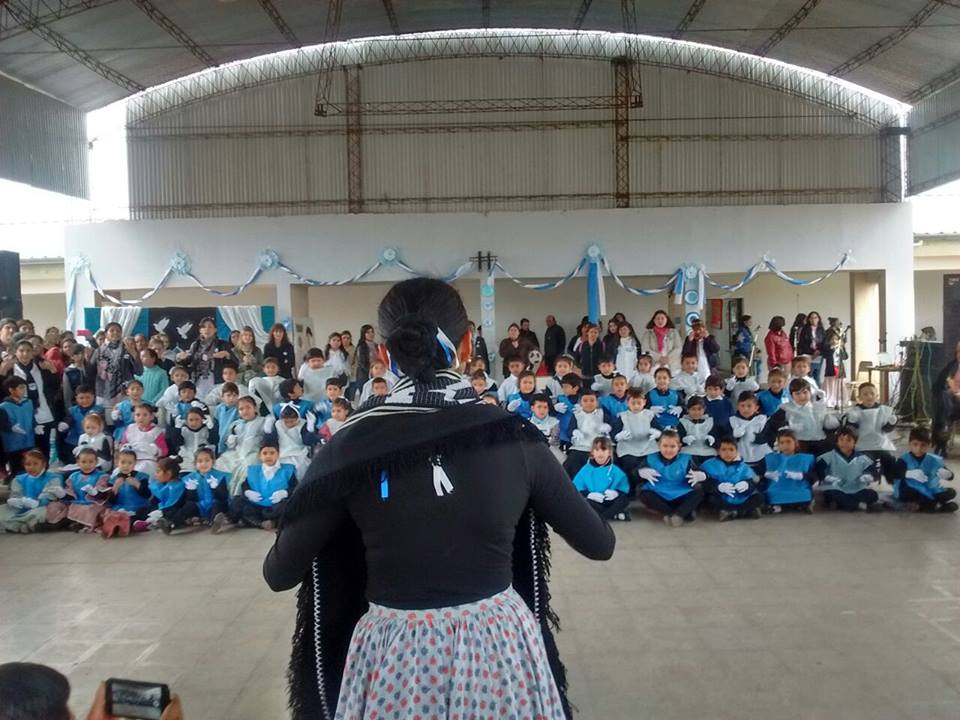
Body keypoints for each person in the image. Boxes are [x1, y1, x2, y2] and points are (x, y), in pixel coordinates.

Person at [263, 277, 614, 720]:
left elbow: (279, 572)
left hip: (395, 658)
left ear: (384, 353)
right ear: (467, 344)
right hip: (498, 649)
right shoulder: (516, 440)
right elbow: (600, 544)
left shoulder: (347, 448)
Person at [1, 338, 58, 461]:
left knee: (43, 449)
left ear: (33, 353)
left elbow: (54, 388)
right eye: (21, 351)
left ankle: (44, 473)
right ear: (15, 352)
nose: (25, 354)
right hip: (20, 416)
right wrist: (2, 373)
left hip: (43, 413)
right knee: (22, 451)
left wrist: (53, 371)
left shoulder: (42, 366)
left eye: (28, 350)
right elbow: (3, 393)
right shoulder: (10, 369)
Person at [636, 429, 706, 527]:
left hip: (681, 492)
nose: (668, 450)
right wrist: (640, 471)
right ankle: (675, 513)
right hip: (659, 493)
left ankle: (678, 514)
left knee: (699, 493)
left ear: (679, 447)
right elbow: (635, 473)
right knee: (643, 494)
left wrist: (701, 475)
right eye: (665, 446)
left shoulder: (687, 458)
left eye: (672, 446)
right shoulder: (650, 458)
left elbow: (699, 472)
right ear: (659, 446)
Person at [816, 427, 882, 513]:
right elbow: (819, 470)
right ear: (837, 442)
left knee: (873, 494)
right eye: (841, 440)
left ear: (855, 442)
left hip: (857, 488)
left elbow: (873, 472)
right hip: (836, 487)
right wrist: (828, 478)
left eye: (848, 440)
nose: (844, 443)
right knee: (831, 494)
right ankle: (857, 504)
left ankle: (844, 504)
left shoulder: (862, 458)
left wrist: (867, 476)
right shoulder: (828, 456)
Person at [842, 382, 898, 482]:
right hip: (863, 444)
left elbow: (886, 430)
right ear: (859, 397)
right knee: (867, 462)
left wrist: (891, 423)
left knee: (889, 459)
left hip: (880, 443)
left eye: (872, 393)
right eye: (865, 394)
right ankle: (869, 479)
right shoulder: (856, 411)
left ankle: (893, 481)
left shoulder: (884, 410)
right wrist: (852, 421)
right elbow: (850, 430)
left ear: (877, 395)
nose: (869, 396)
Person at [892, 427, 957, 513]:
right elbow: (894, 474)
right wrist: (908, 474)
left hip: (928, 489)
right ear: (909, 444)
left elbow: (949, 476)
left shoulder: (934, 460)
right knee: (908, 493)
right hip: (909, 490)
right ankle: (935, 505)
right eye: (915, 444)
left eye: (923, 445)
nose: (919, 448)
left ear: (929, 445)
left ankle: (928, 504)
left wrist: (949, 474)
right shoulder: (903, 459)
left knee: (951, 492)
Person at [0, 449, 63, 533]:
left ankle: (14, 525)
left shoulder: (52, 478)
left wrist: (38, 502)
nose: (31, 467)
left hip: (41, 506)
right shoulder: (19, 479)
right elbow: (16, 494)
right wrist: (15, 500)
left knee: (41, 513)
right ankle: (23, 525)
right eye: (28, 464)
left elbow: (49, 496)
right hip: (21, 508)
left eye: (35, 464)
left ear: (43, 464)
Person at [701, 437, 763, 521]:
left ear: (737, 451)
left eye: (731, 449)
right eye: (724, 450)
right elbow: (705, 483)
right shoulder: (709, 464)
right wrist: (718, 487)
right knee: (711, 499)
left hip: (741, 496)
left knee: (759, 497)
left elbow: (753, 481)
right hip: (722, 496)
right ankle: (745, 511)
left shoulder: (743, 466)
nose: (728, 453)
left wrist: (747, 485)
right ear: (718, 451)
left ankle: (732, 511)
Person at [757, 429, 817, 514]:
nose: (785, 445)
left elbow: (814, 477)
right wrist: (766, 474)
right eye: (782, 443)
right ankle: (782, 505)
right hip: (776, 488)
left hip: (798, 488)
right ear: (778, 444)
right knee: (767, 494)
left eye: (788, 442)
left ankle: (800, 504)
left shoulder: (806, 459)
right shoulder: (770, 458)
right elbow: (757, 472)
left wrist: (801, 475)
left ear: (795, 443)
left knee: (805, 494)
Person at [573, 437, 631, 521]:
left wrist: (616, 493)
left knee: (624, 500)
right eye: (597, 450)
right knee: (584, 503)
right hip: (593, 501)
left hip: (609, 500)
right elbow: (577, 488)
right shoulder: (586, 469)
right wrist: (589, 494)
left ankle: (602, 517)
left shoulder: (615, 470)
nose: (600, 453)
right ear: (592, 452)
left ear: (610, 452)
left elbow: (623, 488)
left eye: (604, 450)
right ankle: (611, 515)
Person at [176, 317, 232, 399]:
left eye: (210, 327)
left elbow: (235, 363)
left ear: (215, 330)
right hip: (198, 379)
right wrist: (180, 358)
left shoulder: (222, 344)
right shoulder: (195, 345)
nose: (207, 329)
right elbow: (188, 363)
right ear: (200, 330)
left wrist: (227, 355)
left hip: (216, 379)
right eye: (204, 327)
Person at [563, 388, 610, 479]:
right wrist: (574, 432)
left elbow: (612, 428)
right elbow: (570, 430)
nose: (589, 403)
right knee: (571, 462)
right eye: (585, 401)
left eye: (592, 400)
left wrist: (607, 428)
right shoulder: (577, 415)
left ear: (597, 402)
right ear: (581, 402)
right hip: (581, 446)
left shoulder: (602, 413)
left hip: (600, 446)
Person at [150, 456, 200, 534]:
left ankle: (170, 523)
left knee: (185, 507)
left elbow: (174, 503)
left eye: (158, 471)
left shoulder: (179, 485)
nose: (155, 474)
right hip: (174, 509)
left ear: (169, 473)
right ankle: (165, 522)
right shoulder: (167, 485)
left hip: (188, 509)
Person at [0, 376, 35, 476]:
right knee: (16, 469)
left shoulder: (28, 402)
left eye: (24, 387)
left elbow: (32, 418)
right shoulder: (3, 407)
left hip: (29, 441)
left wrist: (36, 426)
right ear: (11, 390)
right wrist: (11, 428)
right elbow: (2, 424)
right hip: (13, 445)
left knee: (30, 466)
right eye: (20, 388)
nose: (23, 390)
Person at [729, 392, 771, 470]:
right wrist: (734, 436)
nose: (745, 409)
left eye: (749, 406)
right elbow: (727, 440)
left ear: (756, 408)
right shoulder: (732, 421)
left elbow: (768, 436)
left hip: (761, 456)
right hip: (741, 456)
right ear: (737, 406)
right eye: (742, 406)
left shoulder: (762, 420)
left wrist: (756, 438)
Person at [932, 339, 960, 455]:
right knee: (944, 396)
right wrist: (947, 382)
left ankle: (941, 441)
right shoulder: (952, 366)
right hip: (952, 405)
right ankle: (943, 429)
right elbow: (936, 387)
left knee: (943, 410)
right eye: (959, 351)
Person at [821, 317, 848, 408]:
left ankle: (840, 399)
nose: (834, 341)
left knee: (839, 383)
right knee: (830, 383)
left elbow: (845, 357)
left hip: (839, 368)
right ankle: (830, 399)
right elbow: (825, 353)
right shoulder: (828, 332)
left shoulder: (839, 333)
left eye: (835, 340)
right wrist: (831, 347)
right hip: (831, 368)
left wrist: (841, 347)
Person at [648, 366, 684, 431]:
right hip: (656, 428)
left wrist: (681, 408)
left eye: (664, 378)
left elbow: (685, 407)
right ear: (655, 380)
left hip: (674, 427)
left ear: (669, 380)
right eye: (659, 378)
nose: (662, 380)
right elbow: (642, 408)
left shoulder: (677, 395)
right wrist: (649, 410)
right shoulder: (649, 395)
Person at [351, 324, 379, 399]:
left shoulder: (376, 345)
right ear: (363, 334)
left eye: (372, 332)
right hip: (364, 375)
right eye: (368, 332)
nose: (371, 334)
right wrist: (371, 371)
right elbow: (362, 363)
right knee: (366, 397)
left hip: (376, 373)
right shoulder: (362, 346)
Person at [797, 311, 826, 381]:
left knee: (817, 375)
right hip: (808, 354)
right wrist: (812, 352)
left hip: (819, 355)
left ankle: (817, 390)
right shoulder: (804, 329)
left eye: (815, 318)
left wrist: (818, 351)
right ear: (808, 319)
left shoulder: (821, 329)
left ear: (818, 319)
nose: (813, 320)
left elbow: (824, 342)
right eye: (811, 318)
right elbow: (802, 342)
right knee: (808, 374)